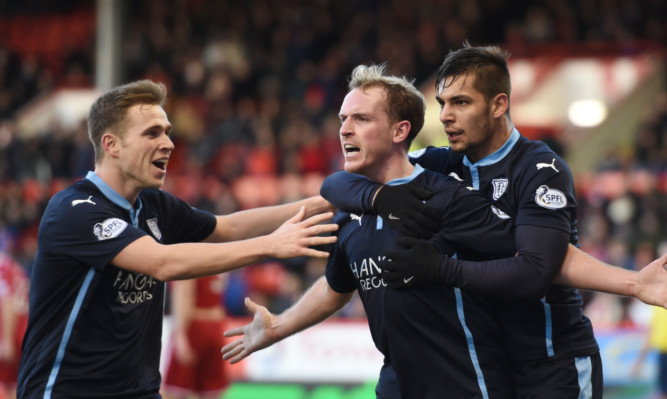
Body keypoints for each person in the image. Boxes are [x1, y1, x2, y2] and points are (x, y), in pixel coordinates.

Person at [318, 43, 667, 398]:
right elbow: (338, 183)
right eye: (443, 104)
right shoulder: (442, 163)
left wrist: (440, 269)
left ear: (499, 104)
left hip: (552, 361)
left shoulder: (539, 169)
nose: (446, 116)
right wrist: (378, 197)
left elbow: (535, 270)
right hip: (493, 362)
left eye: (461, 102)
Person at [224, 63, 536, 398]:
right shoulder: (349, 211)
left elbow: (528, 260)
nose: (344, 130)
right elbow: (336, 287)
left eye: (361, 119)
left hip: (466, 386)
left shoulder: (444, 195)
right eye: (343, 119)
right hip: (394, 386)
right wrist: (277, 326)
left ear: (400, 131)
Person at [16, 80, 338, 398]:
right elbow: (162, 262)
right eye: (152, 133)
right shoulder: (75, 210)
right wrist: (269, 245)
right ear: (111, 144)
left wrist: (325, 202)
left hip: (139, 391)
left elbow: (229, 227)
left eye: (167, 131)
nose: (169, 143)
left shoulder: (155, 204)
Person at [161, 275, 229, 399]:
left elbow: (184, 292)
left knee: (176, 389)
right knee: (211, 389)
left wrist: (180, 334)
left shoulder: (190, 259)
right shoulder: (216, 260)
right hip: (216, 325)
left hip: (194, 326)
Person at [0, 251, 29, 399]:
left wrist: (8, 341)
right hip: (24, 333)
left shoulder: (2, 267)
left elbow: (8, 301)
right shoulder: (11, 264)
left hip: (13, 335)